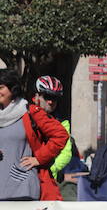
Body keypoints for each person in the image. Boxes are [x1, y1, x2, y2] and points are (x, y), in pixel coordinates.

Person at [0, 69, 68, 201]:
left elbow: (61, 135)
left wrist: (39, 158)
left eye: (1, 87)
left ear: (12, 89)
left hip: (21, 187)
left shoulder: (30, 112)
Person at [32, 76, 73, 183]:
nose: (51, 102)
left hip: (48, 175)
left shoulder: (63, 122)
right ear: (37, 95)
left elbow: (66, 153)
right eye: (47, 97)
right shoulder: (26, 114)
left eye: (55, 98)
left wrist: (50, 170)